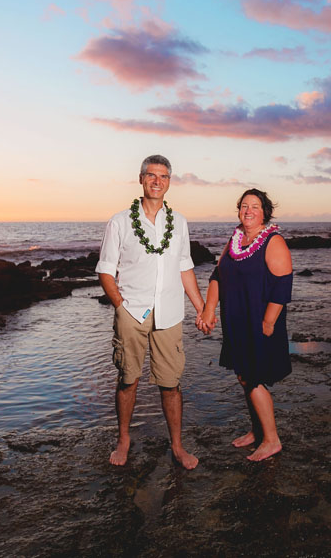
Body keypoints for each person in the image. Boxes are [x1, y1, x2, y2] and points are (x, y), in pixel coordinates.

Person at [97, 155, 205, 470]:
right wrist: (121, 306)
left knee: (171, 383)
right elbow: (105, 270)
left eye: (163, 176)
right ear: (141, 179)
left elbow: (185, 268)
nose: (157, 181)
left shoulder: (180, 222)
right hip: (132, 312)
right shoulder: (120, 221)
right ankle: (124, 439)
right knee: (128, 378)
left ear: (169, 182)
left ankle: (177, 445)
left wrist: (201, 308)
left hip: (169, 314)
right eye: (152, 175)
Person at [199, 189, 293, 461]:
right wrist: (208, 309)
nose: (248, 210)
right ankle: (257, 431)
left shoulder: (273, 241)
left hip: (261, 322)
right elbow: (218, 275)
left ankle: (272, 440)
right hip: (236, 319)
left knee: (253, 378)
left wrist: (268, 321)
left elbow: (282, 287)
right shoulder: (236, 240)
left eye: (254, 206)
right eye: (244, 206)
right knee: (243, 376)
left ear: (265, 211)